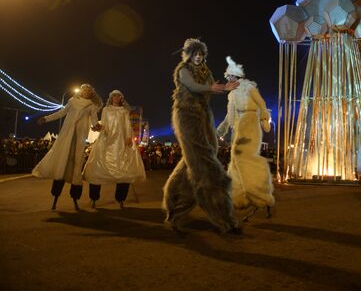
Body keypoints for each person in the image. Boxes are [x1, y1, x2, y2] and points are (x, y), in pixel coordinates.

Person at [162, 38, 240, 234]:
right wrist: (213, 88)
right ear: (189, 54)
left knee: (194, 163)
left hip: (204, 116)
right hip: (187, 116)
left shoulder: (206, 71)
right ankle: (225, 219)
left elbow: (212, 88)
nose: (198, 57)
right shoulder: (183, 70)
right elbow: (193, 87)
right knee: (207, 167)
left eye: (201, 54)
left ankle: (174, 208)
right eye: (195, 54)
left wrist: (225, 87)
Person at [217, 56, 274, 221]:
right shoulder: (232, 96)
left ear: (236, 77)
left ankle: (259, 194)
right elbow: (229, 116)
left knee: (243, 158)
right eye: (227, 79)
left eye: (229, 78)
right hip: (239, 126)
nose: (228, 81)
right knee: (235, 160)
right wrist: (219, 131)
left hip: (250, 123)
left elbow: (261, 103)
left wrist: (264, 118)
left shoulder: (248, 87)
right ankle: (241, 197)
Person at [33, 83, 102, 210]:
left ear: (91, 92)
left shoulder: (91, 105)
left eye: (89, 90)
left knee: (77, 165)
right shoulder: (72, 101)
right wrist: (46, 118)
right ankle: (55, 197)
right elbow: (61, 113)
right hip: (67, 135)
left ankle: (75, 197)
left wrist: (97, 126)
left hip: (80, 136)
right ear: (81, 91)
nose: (86, 91)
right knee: (62, 163)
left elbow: (94, 120)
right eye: (84, 89)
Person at [82, 90, 146, 208]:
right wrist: (98, 128)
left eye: (118, 96)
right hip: (106, 141)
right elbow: (104, 124)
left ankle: (120, 199)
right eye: (114, 96)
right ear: (111, 98)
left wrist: (128, 137)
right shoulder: (106, 110)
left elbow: (127, 125)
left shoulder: (124, 111)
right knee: (98, 168)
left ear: (121, 98)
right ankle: (94, 198)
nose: (116, 97)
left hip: (121, 142)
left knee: (124, 171)